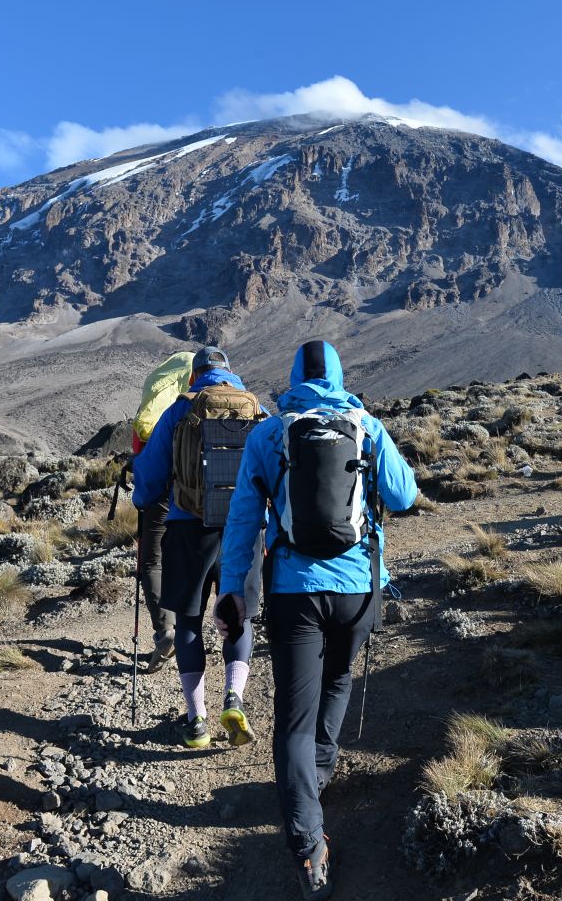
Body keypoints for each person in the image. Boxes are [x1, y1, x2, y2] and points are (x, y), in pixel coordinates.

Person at [217, 340, 417, 901]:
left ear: (293, 378)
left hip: (293, 592)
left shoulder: (269, 434)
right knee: (338, 679)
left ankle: (308, 841)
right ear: (338, 374)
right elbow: (402, 497)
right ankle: (315, 781)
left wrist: (234, 592)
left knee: (293, 717)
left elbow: (241, 522)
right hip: (357, 591)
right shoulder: (366, 426)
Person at [132, 346, 265, 749]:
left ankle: (197, 722)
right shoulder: (256, 410)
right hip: (243, 530)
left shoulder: (179, 409)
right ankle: (234, 697)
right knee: (238, 617)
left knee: (188, 623)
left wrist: (143, 499)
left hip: (188, 529)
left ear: (195, 375)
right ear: (230, 374)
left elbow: (151, 477)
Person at [130, 351, 197, 673]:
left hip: (161, 495)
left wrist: (142, 498)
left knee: (152, 559)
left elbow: (141, 453)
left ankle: (165, 630)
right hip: (203, 498)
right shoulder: (210, 403)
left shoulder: (155, 410)